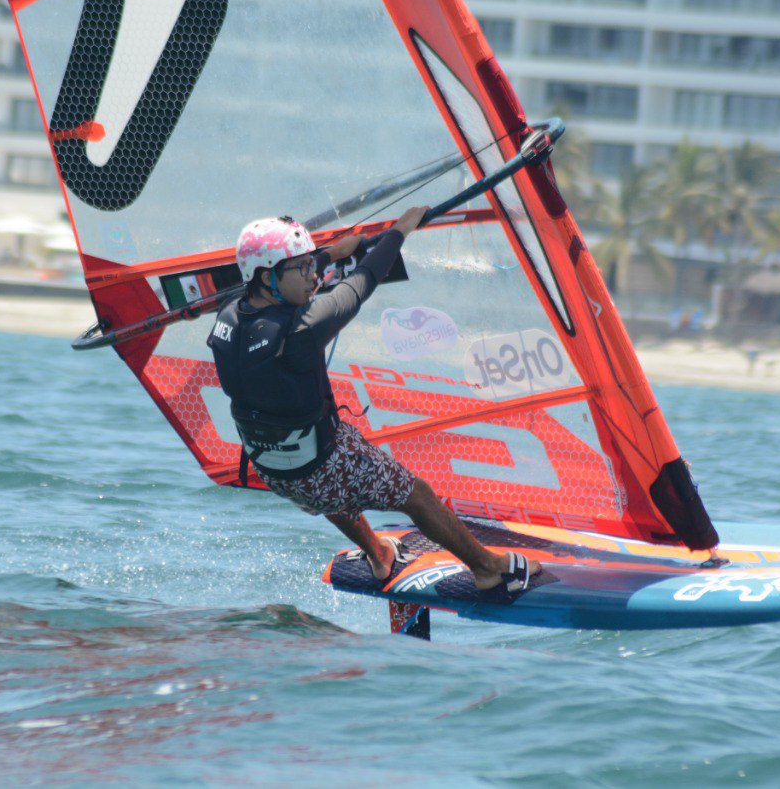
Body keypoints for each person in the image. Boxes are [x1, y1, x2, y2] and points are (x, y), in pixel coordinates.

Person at [207, 211, 539, 600]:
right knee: (415, 495)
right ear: (267, 277)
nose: (313, 275)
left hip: (273, 469)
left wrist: (327, 254)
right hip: (319, 467)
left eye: (310, 264)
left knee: (338, 470)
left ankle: (379, 554)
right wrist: (399, 232)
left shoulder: (228, 315)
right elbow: (360, 284)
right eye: (302, 267)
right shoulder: (302, 329)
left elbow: (296, 276)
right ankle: (488, 569)